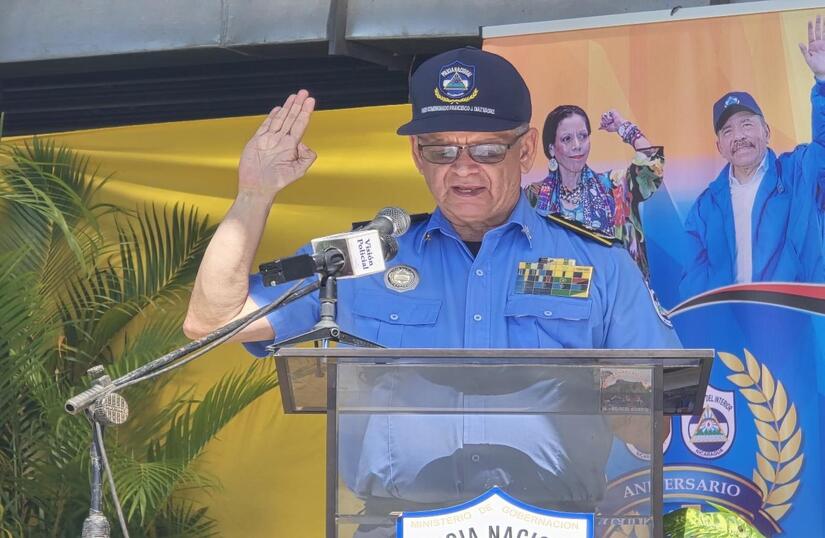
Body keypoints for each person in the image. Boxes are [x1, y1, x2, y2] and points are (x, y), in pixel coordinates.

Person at [183, 47, 679, 535]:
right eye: (440, 150)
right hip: (393, 521)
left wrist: (631, 408)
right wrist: (254, 193)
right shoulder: (364, 257)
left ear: (526, 150)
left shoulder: (599, 263)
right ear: (416, 156)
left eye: (485, 150)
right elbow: (212, 321)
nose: (462, 169)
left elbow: (655, 420)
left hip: (551, 520)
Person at [679, 16, 825, 299]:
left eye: (747, 124)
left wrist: (823, 83)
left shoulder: (799, 173)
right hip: (734, 336)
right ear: (719, 146)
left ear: (766, 131)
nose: (739, 136)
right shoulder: (704, 208)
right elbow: (693, 283)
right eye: (728, 130)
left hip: (799, 326)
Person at [526, 105, 664, 281]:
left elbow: (652, 168)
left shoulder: (614, 186)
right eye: (567, 139)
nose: (577, 145)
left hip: (620, 300)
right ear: (552, 148)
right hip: (556, 304)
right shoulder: (533, 197)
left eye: (582, 136)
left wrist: (623, 126)